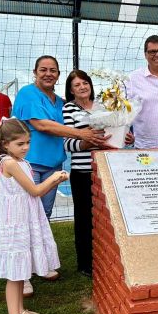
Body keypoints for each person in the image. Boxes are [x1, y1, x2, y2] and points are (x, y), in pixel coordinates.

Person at [12, 56, 108, 295]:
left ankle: (38, 264)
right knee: (24, 217)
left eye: (52, 70)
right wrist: (81, 134)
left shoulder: (60, 103)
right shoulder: (27, 93)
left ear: (57, 74)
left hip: (53, 166)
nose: (48, 73)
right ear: (34, 71)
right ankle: (20, 275)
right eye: (43, 69)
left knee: (42, 216)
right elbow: (42, 125)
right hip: (30, 164)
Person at [0, 118, 68, 314]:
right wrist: (54, 178)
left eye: (28, 142)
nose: (26, 147)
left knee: (21, 268)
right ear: (5, 144)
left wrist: (53, 180)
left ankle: (21, 310)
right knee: (15, 273)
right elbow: (35, 190)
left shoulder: (20, 161)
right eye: (20, 144)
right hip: (15, 221)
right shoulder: (10, 163)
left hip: (24, 217)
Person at [62, 70, 120, 278]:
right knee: (85, 218)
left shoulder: (103, 107)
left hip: (105, 170)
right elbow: (67, 142)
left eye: (85, 83)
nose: (82, 87)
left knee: (106, 216)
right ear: (71, 90)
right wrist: (87, 142)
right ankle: (85, 262)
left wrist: (123, 137)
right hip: (83, 172)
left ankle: (105, 256)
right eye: (77, 85)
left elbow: (112, 135)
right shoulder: (68, 109)